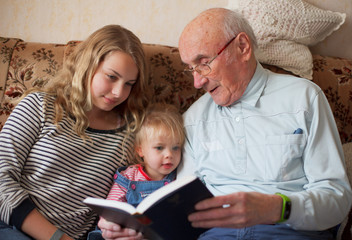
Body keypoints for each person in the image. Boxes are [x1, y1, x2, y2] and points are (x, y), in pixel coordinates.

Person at [175, 8, 352, 239]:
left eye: (204, 62)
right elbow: (182, 207)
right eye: (191, 68)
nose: (197, 82)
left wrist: (277, 208)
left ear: (242, 47)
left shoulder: (304, 98)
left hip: (289, 232)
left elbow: (336, 198)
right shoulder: (192, 119)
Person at [0, 24, 149, 240]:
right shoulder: (39, 106)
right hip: (10, 226)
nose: (118, 92)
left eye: (129, 84)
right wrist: (58, 238)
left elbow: (119, 204)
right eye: (111, 77)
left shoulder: (129, 137)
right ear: (87, 66)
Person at [87, 102, 185, 240]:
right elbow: (111, 208)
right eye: (159, 147)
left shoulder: (179, 177)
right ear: (140, 150)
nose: (169, 154)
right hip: (125, 233)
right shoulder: (129, 176)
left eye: (175, 147)